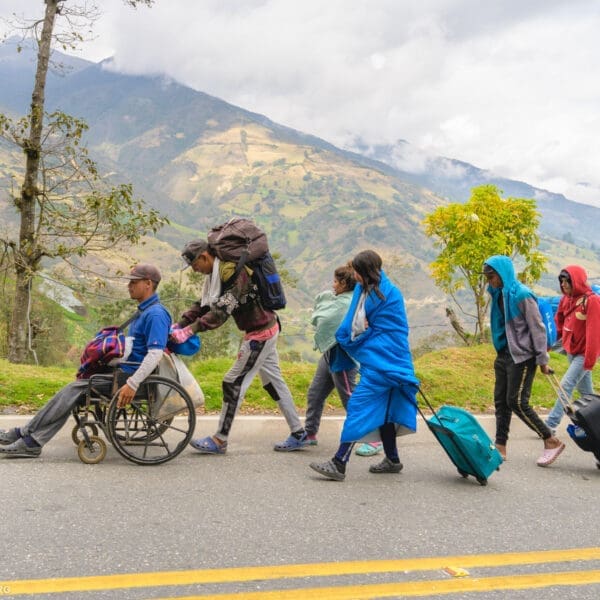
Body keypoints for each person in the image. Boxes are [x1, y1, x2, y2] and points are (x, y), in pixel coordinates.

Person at [0, 264, 171, 458]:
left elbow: (155, 354)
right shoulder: (145, 311)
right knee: (72, 391)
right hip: (121, 371)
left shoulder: (155, 314)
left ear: (148, 284)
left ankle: (29, 439)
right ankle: (28, 435)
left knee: (73, 390)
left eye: (134, 282)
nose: (129, 286)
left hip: (128, 377)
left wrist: (132, 384)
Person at [171, 239, 306, 454]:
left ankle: (220, 439)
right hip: (266, 328)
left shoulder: (234, 274)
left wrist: (190, 330)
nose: (196, 271)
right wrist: (181, 323)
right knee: (273, 383)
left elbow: (221, 311)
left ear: (205, 257)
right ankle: (299, 433)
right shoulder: (217, 276)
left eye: (196, 266)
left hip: (261, 334)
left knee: (232, 382)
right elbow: (204, 304)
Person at [309, 250, 419, 481]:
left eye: (357, 272)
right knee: (387, 410)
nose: (354, 276)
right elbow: (356, 323)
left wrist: (356, 338)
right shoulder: (367, 289)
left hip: (386, 361)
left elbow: (391, 331)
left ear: (364, 272)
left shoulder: (387, 295)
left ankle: (339, 462)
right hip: (385, 361)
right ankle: (393, 459)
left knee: (357, 406)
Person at [482, 255, 565, 467]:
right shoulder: (498, 293)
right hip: (503, 354)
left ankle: (550, 439)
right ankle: (500, 446)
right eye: (487, 277)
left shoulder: (522, 295)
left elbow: (538, 330)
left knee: (517, 401)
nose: (489, 280)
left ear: (502, 273)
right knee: (501, 400)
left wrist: (542, 360)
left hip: (523, 356)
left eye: (492, 276)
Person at [304, 264, 358, 445]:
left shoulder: (348, 303)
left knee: (350, 399)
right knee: (315, 393)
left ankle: (372, 436)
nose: (333, 285)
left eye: (335, 281)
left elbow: (328, 320)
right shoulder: (338, 299)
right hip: (328, 354)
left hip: (342, 358)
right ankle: (309, 434)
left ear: (343, 283)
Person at [545, 265, 600, 432]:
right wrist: (548, 344)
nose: (564, 284)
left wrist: (589, 360)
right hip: (571, 350)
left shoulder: (592, 301)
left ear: (576, 280)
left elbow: (594, 333)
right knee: (587, 394)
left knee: (566, 385)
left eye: (567, 280)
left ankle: (549, 425)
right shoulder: (566, 300)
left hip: (585, 354)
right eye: (561, 281)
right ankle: (594, 424)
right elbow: (559, 324)